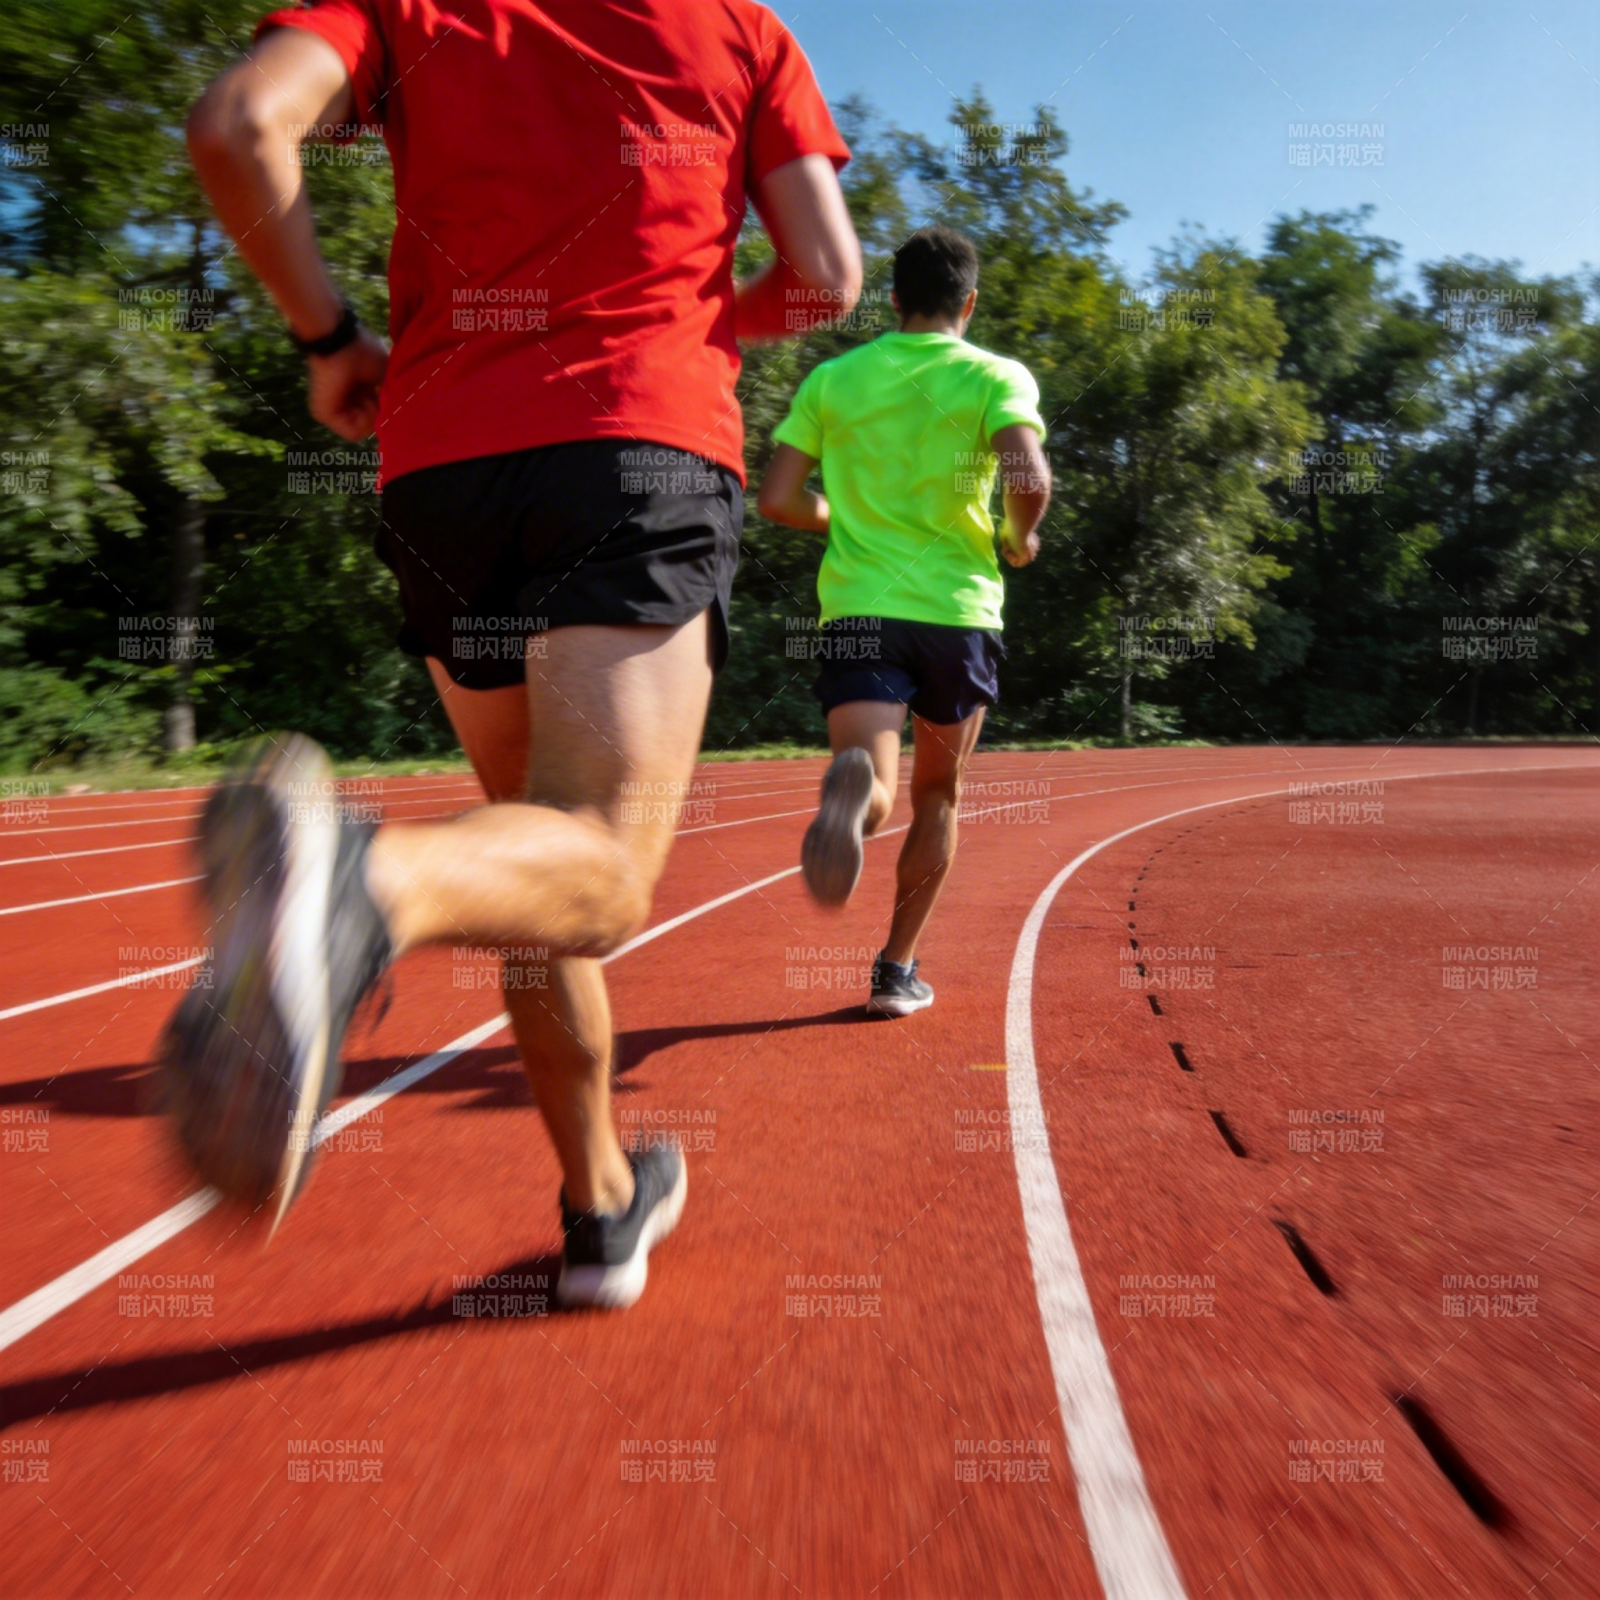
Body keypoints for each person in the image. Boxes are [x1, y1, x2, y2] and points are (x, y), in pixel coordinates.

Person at [168, 0, 861, 1310]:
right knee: (598, 874)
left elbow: (238, 124)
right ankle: (360, 881)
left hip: (443, 472)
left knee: (533, 860)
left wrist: (327, 342)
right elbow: (827, 270)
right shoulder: (741, 30)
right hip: (635, 442)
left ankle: (602, 1203)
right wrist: (707, 312)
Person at [757, 226, 1051, 1016]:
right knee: (941, 795)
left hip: (860, 607)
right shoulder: (995, 375)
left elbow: (779, 500)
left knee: (878, 778)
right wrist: (1017, 538)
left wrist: (848, 523)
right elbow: (1029, 474)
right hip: (957, 611)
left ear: (892, 300)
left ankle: (857, 797)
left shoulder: (835, 379)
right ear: (970, 301)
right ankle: (896, 970)